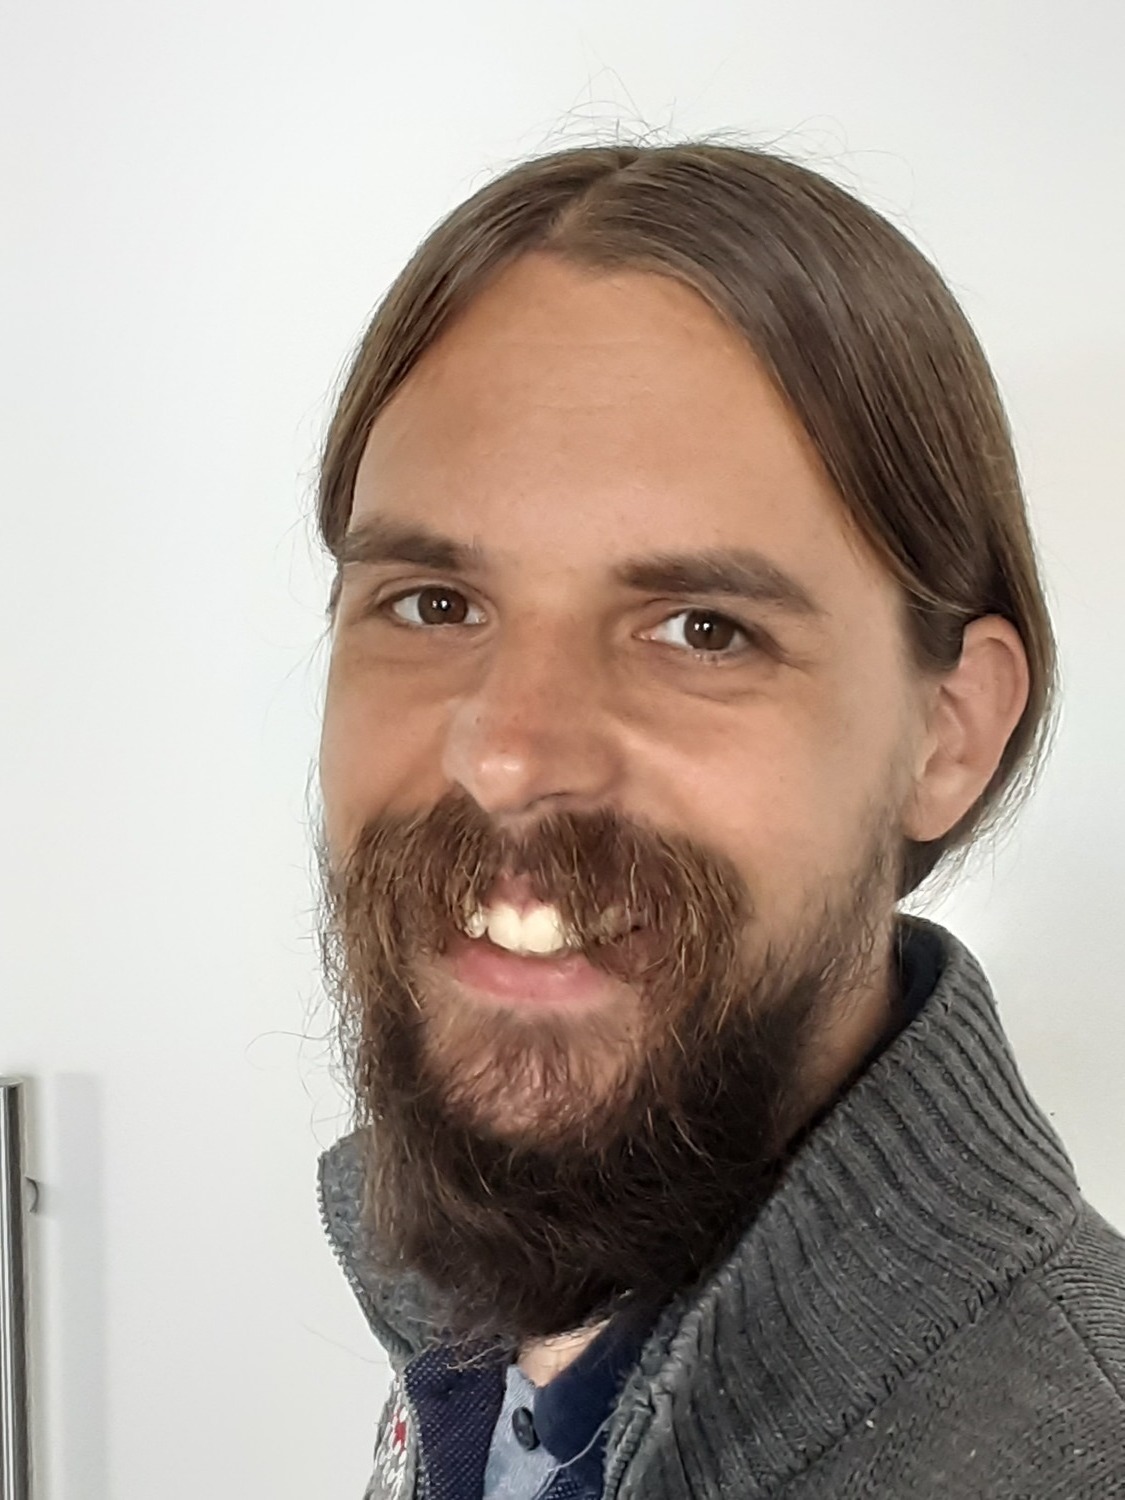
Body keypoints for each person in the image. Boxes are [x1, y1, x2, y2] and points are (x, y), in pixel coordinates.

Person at [310, 141, 1125, 1500]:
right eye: (433, 605)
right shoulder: (492, 1323)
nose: (506, 755)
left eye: (701, 629)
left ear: (948, 732)